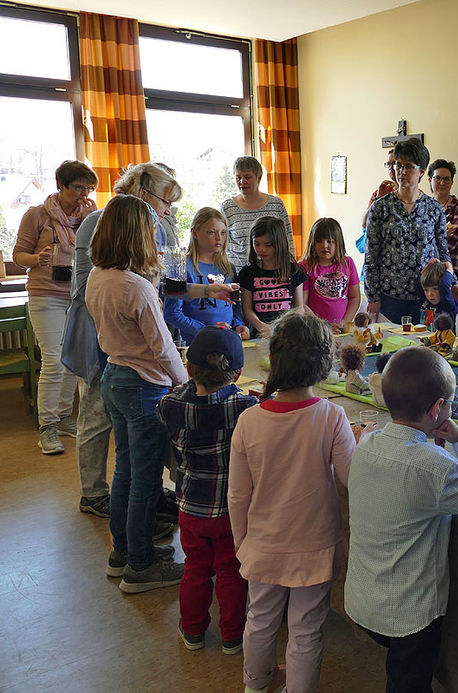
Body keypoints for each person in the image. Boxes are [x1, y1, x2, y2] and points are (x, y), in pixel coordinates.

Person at [62, 162, 214, 526]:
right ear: (144, 194)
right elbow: (93, 290)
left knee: (132, 449)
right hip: (106, 335)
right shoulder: (100, 224)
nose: (168, 211)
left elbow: (162, 285)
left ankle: (135, 504)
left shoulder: (154, 229)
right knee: (98, 417)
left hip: (129, 338)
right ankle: (95, 493)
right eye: (166, 202)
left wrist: (206, 289)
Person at [345, 346, 458, 692]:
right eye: (449, 403)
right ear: (436, 410)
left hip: (363, 599)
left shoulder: (366, 443)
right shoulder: (436, 467)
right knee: (408, 682)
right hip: (408, 617)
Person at [229, 311, 355, 693]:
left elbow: (237, 494)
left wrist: (241, 542)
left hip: (263, 545)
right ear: (324, 363)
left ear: (275, 360)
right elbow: (353, 478)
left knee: (260, 619)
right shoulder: (332, 416)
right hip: (315, 546)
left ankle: (255, 684)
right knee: (306, 630)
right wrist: (363, 443)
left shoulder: (249, 420)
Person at [85, 194, 187, 593]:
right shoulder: (136, 286)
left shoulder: (98, 276)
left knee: (126, 470)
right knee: (145, 479)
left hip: (115, 377)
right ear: (138, 235)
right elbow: (162, 348)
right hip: (144, 385)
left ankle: (124, 552)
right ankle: (141, 566)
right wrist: (184, 383)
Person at [156, 326, 257, 654]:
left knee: (196, 570)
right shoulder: (244, 408)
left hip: (190, 508)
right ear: (238, 373)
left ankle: (194, 630)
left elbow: (179, 398)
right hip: (231, 510)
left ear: (188, 367)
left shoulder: (169, 405)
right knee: (231, 571)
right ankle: (232, 635)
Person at [13, 160, 97, 457]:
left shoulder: (91, 216)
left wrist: (91, 218)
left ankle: (63, 417)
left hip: (78, 294)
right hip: (45, 293)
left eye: (88, 188)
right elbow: (18, 254)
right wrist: (38, 259)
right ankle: (46, 426)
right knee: (53, 359)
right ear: (61, 185)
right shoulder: (37, 215)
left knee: (74, 357)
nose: (83, 193)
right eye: (78, 187)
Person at [364, 138, 458, 323]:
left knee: (424, 348)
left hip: (426, 295)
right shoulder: (380, 207)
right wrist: (373, 296)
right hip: (390, 296)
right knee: (391, 349)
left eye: (408, 166)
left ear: (422, 172)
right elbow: (371, 256)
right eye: (398, 165)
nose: (401, 171)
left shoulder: (434, 208)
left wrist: (453, 283)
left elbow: (443, 251)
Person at [163, 207, 249, 345]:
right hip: (196, 345)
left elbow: (235, 306)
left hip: (228, 342)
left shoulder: (228, 267)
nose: (219, 238)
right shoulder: (178, 266)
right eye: (211, 232)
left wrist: (239, 325)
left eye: (223, 233)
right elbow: (172, 314)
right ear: (195, 233)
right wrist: (206, 331)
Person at [222, 156, 295, 274]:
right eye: (238, 177)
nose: (242, 182)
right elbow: (223, 245)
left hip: (273, 272)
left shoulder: (276, 204)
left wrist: (291, 268)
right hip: (239, 273)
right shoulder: (227, 207)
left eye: (247, 177)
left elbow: (288, 239)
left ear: (259, 177)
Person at [237, 216, 307, 336]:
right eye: (257, 244)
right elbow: (247, 310)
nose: (261, 249)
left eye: (268, 245)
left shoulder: (295, 271)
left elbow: (299, 308)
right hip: (259, 334)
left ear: (279, 244)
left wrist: (288, 329)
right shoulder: (248, 273)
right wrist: (263, 328)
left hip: (288, 335)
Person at [298, 217, 360, 334]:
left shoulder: (348, 263)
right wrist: (323, 326)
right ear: (312, 242)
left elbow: (355, 297)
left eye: (330, 241)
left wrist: (344, 322)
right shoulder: (304, 266)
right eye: (319, 241)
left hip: (341, 329)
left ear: (338, 242)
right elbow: (302, 305)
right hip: (315, 330)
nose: (324, 245)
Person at [427, 158, 458, 283]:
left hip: (450, 270)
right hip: (424, 271)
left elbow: (451, 242)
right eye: (438, 178)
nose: (442, 183)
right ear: (430, 180)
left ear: (452, 182)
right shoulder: (422, 208)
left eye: (446, 179)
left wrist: (427, 240)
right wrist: (441, 236)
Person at [419, 259, 458, 330]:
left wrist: (449, 267)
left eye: (435, 289)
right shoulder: (426, 301)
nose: (430, 294)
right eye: (426, 290)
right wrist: (427, 267)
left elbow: (444, 285)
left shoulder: (447, 305)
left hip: (444, 340)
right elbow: (419, 282)